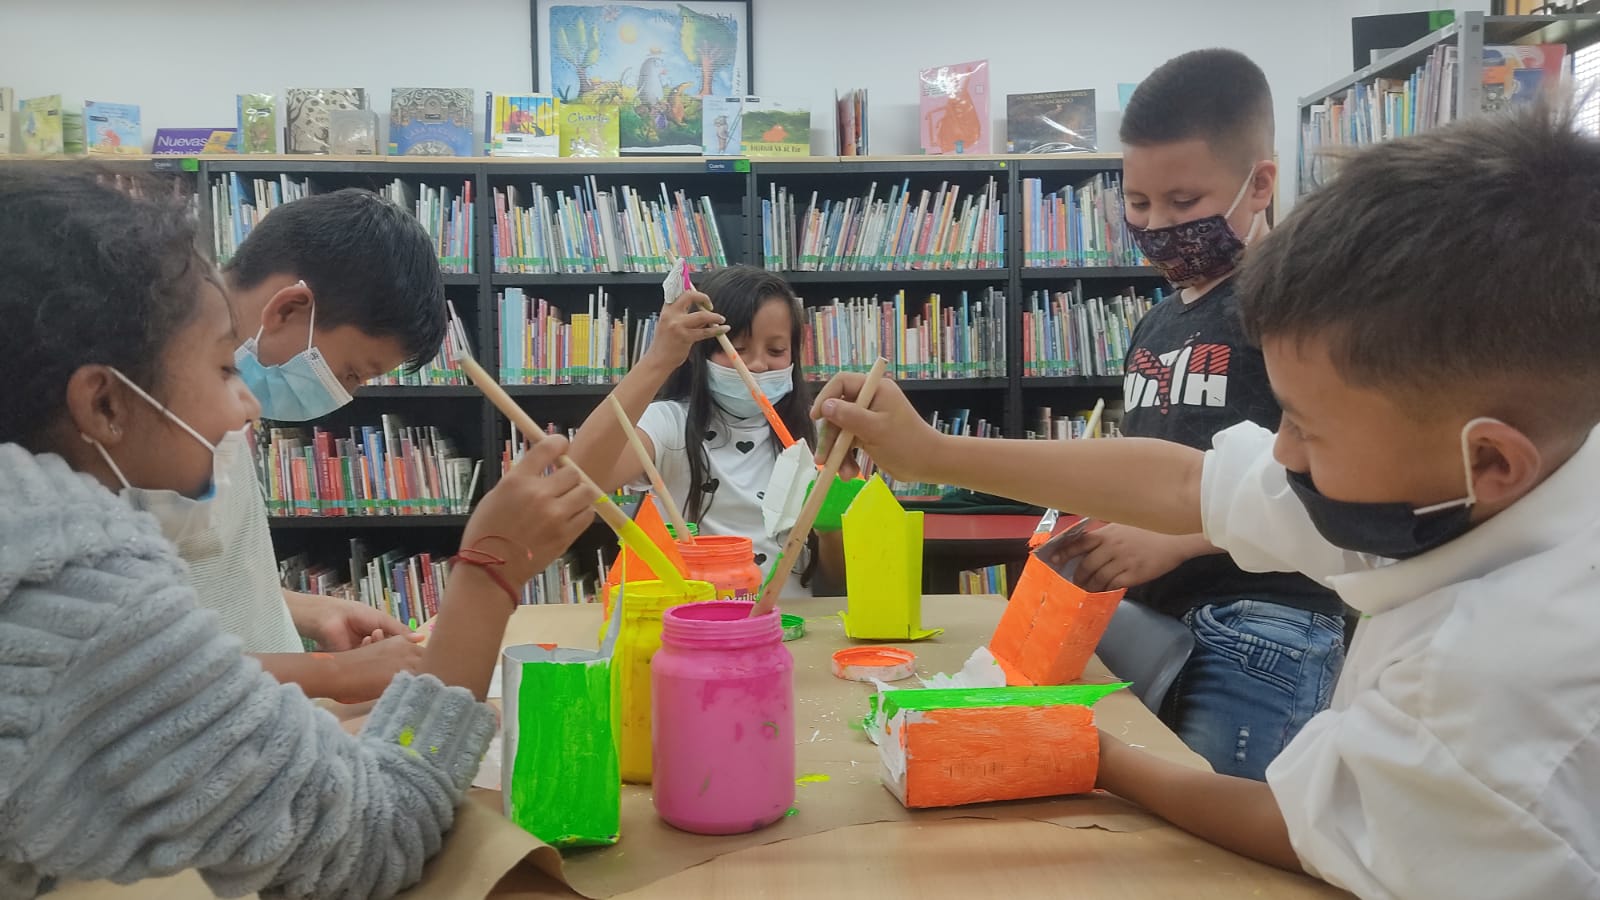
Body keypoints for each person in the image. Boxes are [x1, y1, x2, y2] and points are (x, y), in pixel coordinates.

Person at [811, 100, 1600, 898]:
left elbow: (1325, 835)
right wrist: (932, 453)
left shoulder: (1498, 688)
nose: (1279, 451)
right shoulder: (1450, 472)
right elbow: (1186, 481)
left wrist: (1097, 757)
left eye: (1307, 428)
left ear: (1492, 460)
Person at [0, 165, 595, 897]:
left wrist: (298, 610)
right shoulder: (78, 604)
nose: (244, 413)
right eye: (224, 368)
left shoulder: (38, 537)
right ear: (103, 403)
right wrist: (490, 570)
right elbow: (376, 837)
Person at [1068, 48, 1343, 779]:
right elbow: (1143, 471)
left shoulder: (1293, 309)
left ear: (1260, 184)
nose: (1158, 225)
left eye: (1185, 203)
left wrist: (1178, 541)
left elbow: (1325, 486)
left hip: (1265, 624)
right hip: (1156, 625)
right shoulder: (1154, 326)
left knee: (1224, 862)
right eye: (1137, 203)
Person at [185, 188, 452, 702]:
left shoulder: (225, 389)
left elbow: (203, 580)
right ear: (288, 310)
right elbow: (138, 662)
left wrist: (311, 610)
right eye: (352, 372)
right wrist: (336, 675)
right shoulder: (158, 415)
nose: (345, 395)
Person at [569, 265, 847, 596]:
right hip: (697, 629)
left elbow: (838, 584)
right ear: (699, 351)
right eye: (737, 349)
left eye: (776, 351)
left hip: (788, 630)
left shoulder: (818, 433)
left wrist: (832, 529)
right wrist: (658, 359)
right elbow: (580, 480)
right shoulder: (668, 424)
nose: (756, 365)